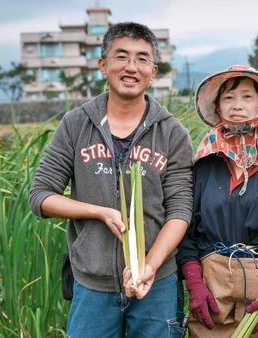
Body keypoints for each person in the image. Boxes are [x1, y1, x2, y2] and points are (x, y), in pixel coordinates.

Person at [28, 22, 192, 337]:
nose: (131, 67)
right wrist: (98, 212)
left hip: (157, 283)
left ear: (153, 71)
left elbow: (181, 210)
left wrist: (149, 266)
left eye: (142, 59)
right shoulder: (76, 124)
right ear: (103, 65)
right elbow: (41, 197)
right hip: (92, 285)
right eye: (121, 57)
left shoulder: (172, 133)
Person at [176, 65, 258, 337]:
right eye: (229, 98)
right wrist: (195, 285)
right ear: (218, 106)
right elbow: (187, 231)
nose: (238, 105)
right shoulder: (204, 163)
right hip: (214, 291)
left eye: (247, 97)